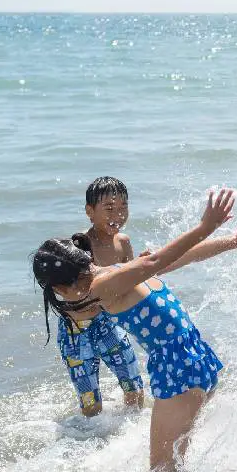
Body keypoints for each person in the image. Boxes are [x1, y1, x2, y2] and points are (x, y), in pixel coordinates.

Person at [33, 188, 237, 472]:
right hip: (196, 359)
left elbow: (154, 261)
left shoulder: (102, 285)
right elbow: (183, 256)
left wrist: (206, 227)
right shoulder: (120, 271)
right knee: (175, 466)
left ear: (63, 285)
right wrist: (235, 240)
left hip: (178, 371)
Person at [53, 176, 144, 417]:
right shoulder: (78, 245)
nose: (119, 214)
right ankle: (92, 445)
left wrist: (142, 266)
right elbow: (68, 288)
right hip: (76, 331)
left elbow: (128, 286)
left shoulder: (123, 244)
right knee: (91, 404)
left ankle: (134, 437)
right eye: (110, 208)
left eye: (124, 206)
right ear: (89, 212)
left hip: (109, 325)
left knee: (134, 388)